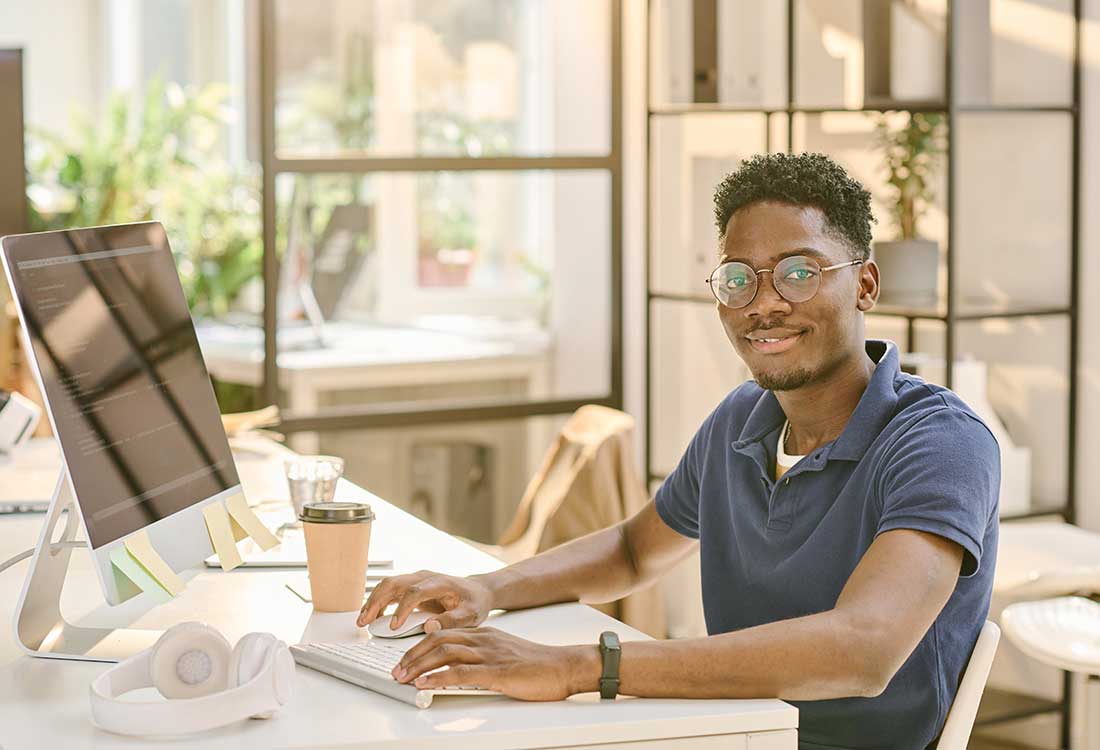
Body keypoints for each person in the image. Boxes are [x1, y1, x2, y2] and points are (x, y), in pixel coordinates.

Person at [357, 152, 999, 749]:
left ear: (864, 285)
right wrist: (483, 587)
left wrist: (580, 666)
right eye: (739, 279)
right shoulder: (742, 417)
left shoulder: (940, 443)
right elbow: (633, 551)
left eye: (800, 273)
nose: (766, 303)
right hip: (722, 730)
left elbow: (863, 650)